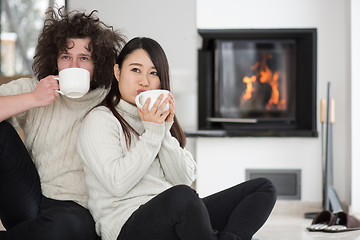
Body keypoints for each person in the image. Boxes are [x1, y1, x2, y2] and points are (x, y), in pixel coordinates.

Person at [77, 37, 277, 240]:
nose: (144, 81)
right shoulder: (100, 120)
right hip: (127, 226)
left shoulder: (158, 122)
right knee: (182, 197)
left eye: (153, 73)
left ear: (161, 81)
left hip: (174, 215)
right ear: (118, 72)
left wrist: (162, 130)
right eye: (135, 70)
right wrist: (153, 132)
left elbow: (183, 178)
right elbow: (117, 183)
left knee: (262, 188)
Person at [0, 7, 126, 240]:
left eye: (84, 58)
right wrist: (33, 99)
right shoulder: (38, 88)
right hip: (30, 199)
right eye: (66, 57)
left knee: (72, 224)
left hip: (77, 211)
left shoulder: (110, 99)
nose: (74, 66)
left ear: (98, 63)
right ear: (55, 60)